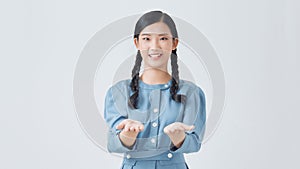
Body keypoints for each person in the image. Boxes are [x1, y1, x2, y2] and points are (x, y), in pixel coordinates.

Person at [104, 10, 206, 169]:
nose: (155, 46)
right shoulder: (118, 92)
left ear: (174, 43)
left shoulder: (191, 93)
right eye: (147, 39)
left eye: (163, 38)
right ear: (137, 43)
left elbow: (195, 143)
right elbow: (112, 144)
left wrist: (179, 137)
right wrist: (128, 135)